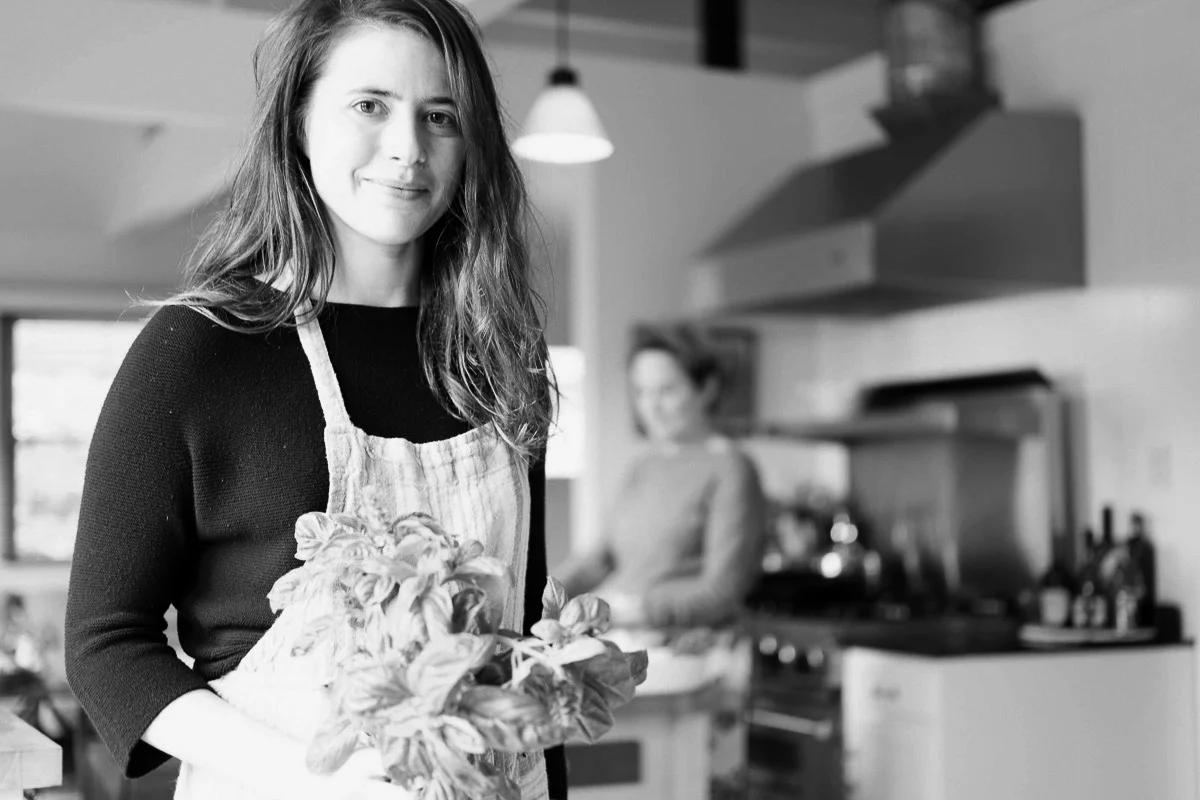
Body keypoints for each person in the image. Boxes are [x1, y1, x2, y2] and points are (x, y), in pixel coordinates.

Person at [64, 1, 565, 798]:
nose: (408, 149)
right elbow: (105, 646)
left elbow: (526, 650)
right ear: (299, 122)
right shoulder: (201, 348)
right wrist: (324, 777)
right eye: (370, 106)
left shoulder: (500, 355)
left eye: (441, 116)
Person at [556, 325, 767, 630]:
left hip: (692, 651)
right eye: (641, 392)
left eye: (667, 391)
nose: (651, 407)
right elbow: (601, 558)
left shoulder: (732, 468)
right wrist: (544, 593)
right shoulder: (643, 465)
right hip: (629, 637)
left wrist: (619, 610)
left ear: (707, 388)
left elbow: (723, 591)